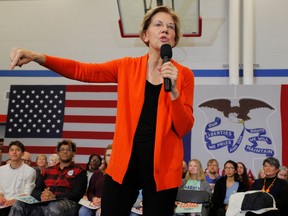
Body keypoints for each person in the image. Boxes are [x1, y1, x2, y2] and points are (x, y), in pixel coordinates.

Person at [9, 5, 194, 216]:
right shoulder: (126, 67)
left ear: (174, 38)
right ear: (145, 35)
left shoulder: (184, 75)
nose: (165, 30)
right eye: (158, 25)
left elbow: (184, 126)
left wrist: (175, 92)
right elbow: (82, 70)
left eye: (170, 27)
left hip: (162, 171)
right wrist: (38, 57)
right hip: (124, 167)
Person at [9, 140, 87, 216]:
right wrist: (43, 196)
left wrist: (55, 197)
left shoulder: (80, 171)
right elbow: (35, 191)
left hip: (68, 204)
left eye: (68, 150)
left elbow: (77, 195)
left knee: (53, 207)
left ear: (73, 153)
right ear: (58, 153)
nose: (65, 152)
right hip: (44, 202)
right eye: (62, 149)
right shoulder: (48, 170)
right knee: (19, 204)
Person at [0, 140, 36, 216]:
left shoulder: (30, 171)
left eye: (18, 150)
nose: (14, 152)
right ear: (8, 154)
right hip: (3, 202)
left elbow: (27, 193)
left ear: (22, 153)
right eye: (12, 150)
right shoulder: (1, 169)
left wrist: (15, 200)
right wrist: (0, 196)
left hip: (20, 203)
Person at [79, 144, 112, 216]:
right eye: (108, 155)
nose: (110, 157)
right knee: (83, 211)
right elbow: (90, 192)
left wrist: (104, 203)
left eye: (113, 154)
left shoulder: (121, 174)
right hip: (94, 204)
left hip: (112, 204)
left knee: (100, 213)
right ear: (105, 158)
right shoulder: (97, 173)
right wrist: (93, 198)